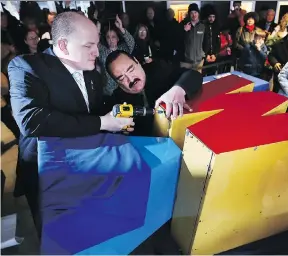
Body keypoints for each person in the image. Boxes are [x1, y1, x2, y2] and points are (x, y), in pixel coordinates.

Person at [8, 11, 135, 237]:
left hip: (86, 168)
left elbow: (93, 114)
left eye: (97, 44)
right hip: (46, 174)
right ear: (64, 46)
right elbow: (32, 121)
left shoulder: (93, 74)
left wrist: (115, 118)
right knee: (55, 235)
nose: (97, 52)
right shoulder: (26, 66)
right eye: (89, 46)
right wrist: (102, 122)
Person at [105, 50, 203, 136]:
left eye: (131, 69)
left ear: (137, 61)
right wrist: (121, 132)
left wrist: (178, 89)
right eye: (122, 78)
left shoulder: (159, 69)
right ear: (116, 82)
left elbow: (194, 75)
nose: (130, 79)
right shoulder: (116, 101)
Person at [98, 14, 135, 98]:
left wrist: (121, 28)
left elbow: (131, 42)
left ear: (118, 39)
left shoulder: (123, 49)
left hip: (124, 88)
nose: (110, 40)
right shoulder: (103, 51)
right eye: (108, 37)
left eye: (113, 37)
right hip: (108, 90)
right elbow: (95, 44)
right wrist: (98, 29)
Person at [180, 3, 205, 73]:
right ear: (189, 14)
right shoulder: (183, 24)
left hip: (199, 61)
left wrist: (203, 54)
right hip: (186, 61)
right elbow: (177, 39)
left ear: (198, 13)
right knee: (187, 81)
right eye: (191, 13)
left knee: (197, 79)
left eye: (195, 12)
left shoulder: (203, 26)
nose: (194, 15)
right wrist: (184, 31)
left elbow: (206, 41)